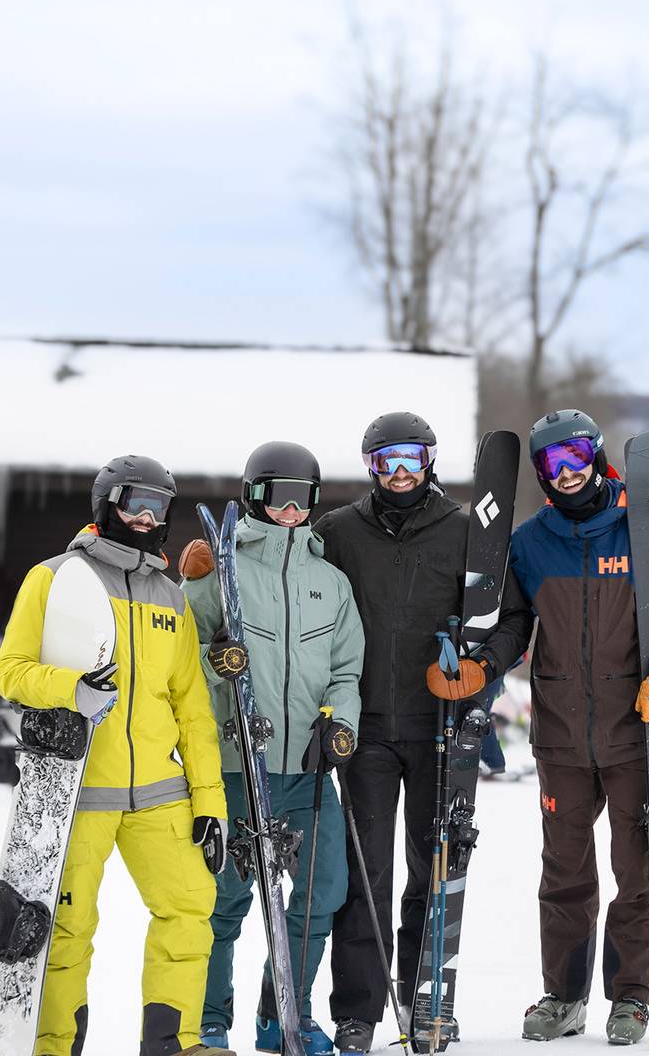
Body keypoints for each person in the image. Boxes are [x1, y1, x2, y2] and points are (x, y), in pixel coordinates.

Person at [0, 455, 235, 1056]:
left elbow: (193, 712)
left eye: (159, 506)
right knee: (68, 930)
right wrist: (69, 689)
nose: (148, 518)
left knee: (189, 911)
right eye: (135, 503)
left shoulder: (171, 597)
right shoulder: (52, 578)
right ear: (107, 505)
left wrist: (209, 801)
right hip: (79, 791)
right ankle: (55, 1046)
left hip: (160, 793)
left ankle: (173, 1044)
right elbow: (10, 671)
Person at [317, 412, 531, 1054]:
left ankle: (423, 995)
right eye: (387, 460)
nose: (401, 472)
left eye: (411, 457)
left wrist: (480, 669)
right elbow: (294, 590)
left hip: (441, 732)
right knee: (365, 874)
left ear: (431, 461)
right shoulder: (338, 533)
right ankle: (359, 1010)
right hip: (366, 731)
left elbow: (513, 620)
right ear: (371, 467)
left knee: (434, 870)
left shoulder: (469, 534)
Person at [502, 410, 649, 1046]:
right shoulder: (530, 541)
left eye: (574, 457)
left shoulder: (645, 529)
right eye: (550, 464)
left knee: (638, 869)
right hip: (561, 739)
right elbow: (513, 626)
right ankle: (563, 998)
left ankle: (632, 997)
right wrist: (482, 661)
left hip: (635, 732)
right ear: (541, 475)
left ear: (595, 456)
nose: (565, 474)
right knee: (564, 873)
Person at [178, 442, 365, 1055]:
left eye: (301, 497)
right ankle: (208, 1017)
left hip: (306, 771)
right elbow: (186, 654)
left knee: (322, 894)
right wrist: (216, 665)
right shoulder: (220, 571)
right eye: (275, 495)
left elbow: (345, 670)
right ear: (253, 497)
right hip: (236, 767)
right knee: (223, 898)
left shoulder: (330, 583)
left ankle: (280, 1006)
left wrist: (339, 725)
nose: (289, 509)